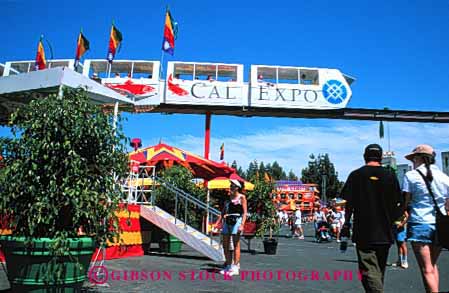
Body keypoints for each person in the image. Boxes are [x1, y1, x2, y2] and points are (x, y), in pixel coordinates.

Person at [341, 144, 404, 293]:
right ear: (381, 158)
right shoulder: (390, 176)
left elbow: (348, 204)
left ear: (364, 157)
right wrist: (395, 224)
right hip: (386, 231)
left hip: (364, 230)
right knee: (379, 271)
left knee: (368, 271)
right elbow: (398, 204)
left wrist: (347, 223)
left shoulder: (355, 175)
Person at [402, 144, 449, 293]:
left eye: (413, 158)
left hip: (420, 222)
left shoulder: (411, 176)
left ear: (418, 158)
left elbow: (405, 202)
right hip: (441, 224)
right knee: (433, 265)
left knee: (427, 268)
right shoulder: (444, 178)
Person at [214, 179, 247, 276]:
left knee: (236, 244)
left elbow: (245, 212)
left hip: (237, 221)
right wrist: (217, 223)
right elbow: (223, 212)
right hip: (227, 221)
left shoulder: (242, 198)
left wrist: (242, 225)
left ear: (237, 187)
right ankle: (228, 265)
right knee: (225, 244)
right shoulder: (228, 199)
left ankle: (235, 266)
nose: (230, 187)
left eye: (232, 185)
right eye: (230, 185)